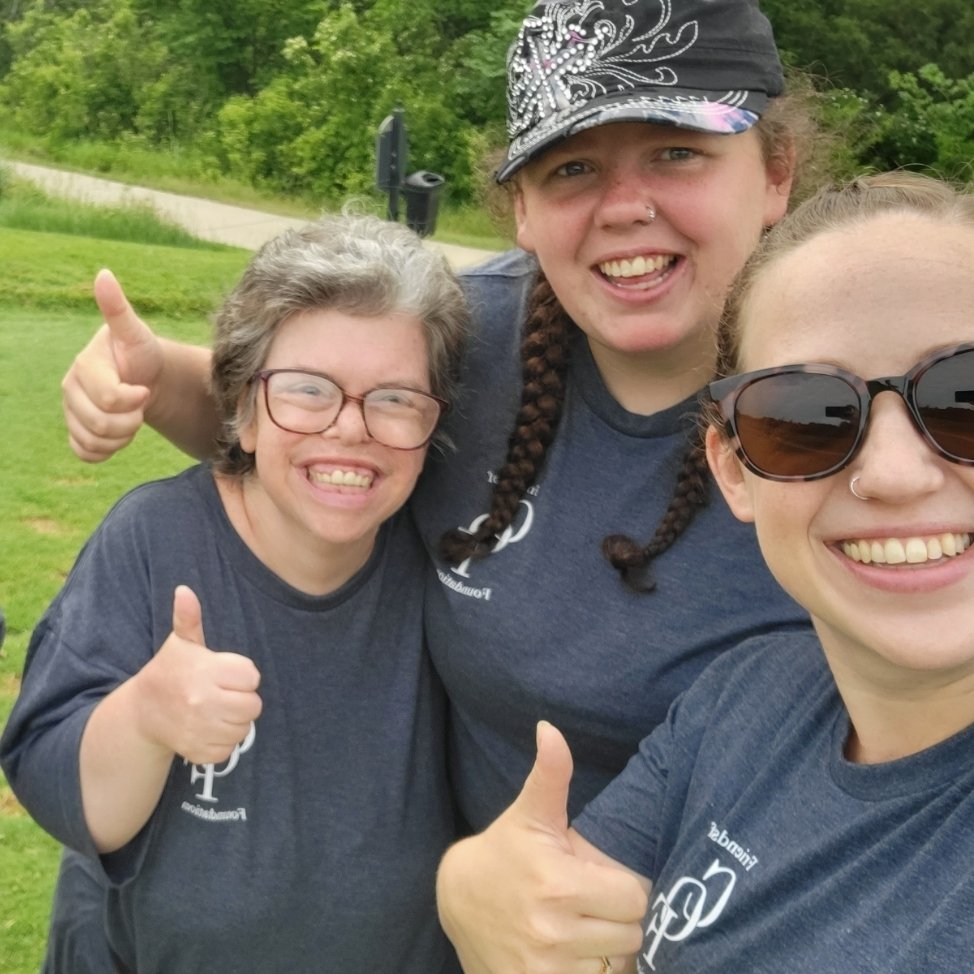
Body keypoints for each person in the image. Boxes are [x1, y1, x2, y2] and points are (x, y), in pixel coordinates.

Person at [58, 0, 821, 957]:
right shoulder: (472, 338)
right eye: (573, 167)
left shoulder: (852, 396)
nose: (627, 205)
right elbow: (324, 432)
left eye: (677, 152)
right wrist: (157, 378)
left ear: (776, 171)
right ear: (522, 209)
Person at [439, 170, 974, 973]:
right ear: (732, 469)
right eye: (803, 415)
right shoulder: (746, 698)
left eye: (964, 394)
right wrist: (474, 890)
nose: (894, 474)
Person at [1, 213, 468, 973]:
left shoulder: (446, 561)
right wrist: (146, 718)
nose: (351, 429)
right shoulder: (154, 541)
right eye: (307, 390)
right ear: (243, 412)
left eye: (394, 399)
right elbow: (62, 795)